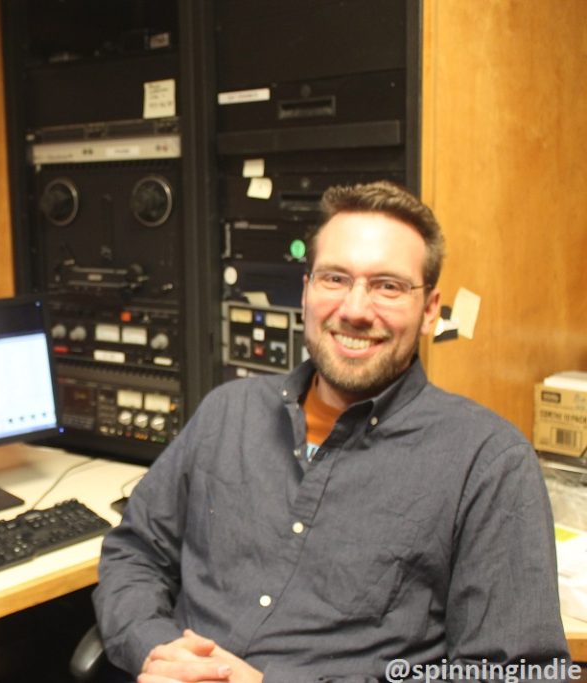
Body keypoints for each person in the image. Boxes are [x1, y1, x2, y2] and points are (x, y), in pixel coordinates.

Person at [93, 181, 570, 682]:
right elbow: (135, 553)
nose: (356, 309)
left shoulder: (487, 463)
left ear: (430, 309)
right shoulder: (227, 413)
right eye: (335, 278)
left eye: (388, 285)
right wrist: (155, 648)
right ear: (305, 291)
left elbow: (512, 674)